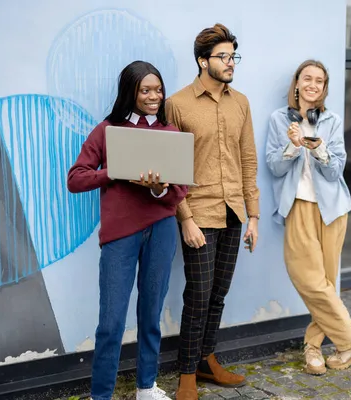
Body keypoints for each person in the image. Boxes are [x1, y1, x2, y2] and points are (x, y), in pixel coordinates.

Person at [67, 60, 187, 400]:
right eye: (146, 90)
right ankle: (100, 395)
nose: (154, 96)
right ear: (130, 92)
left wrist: (158, 188)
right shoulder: (107, 131)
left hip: (161, 230)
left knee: (151, 314)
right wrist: (115, 171)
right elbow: (75, 179)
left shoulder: (171, 133)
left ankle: (146, 387)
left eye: (158, 89)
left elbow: (179, 193)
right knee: (111, 323)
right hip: (120, 235)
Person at [165, 23, 260, 400]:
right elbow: (172, 168)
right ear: (203, 61)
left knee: (218, 294)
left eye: (233, 55)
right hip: (199, 215)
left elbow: (247, 159)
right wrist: (184, 218)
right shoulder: (178, 103)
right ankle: (186, 375)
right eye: (223, 56)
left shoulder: (241, 103)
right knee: (199, 295)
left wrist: (252, 214)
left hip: (234, 211)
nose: (230, 62)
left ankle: (206, 360)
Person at [265, 60, 351, 376]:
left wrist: (319, 149)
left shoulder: (332, 121)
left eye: (319, 81)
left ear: (324, 88)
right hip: (298, 206)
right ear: (296, 83)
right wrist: (291, 145)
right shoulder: (278, 120)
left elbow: (336, 169)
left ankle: (313, 347)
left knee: (325, 283)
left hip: (332, 210)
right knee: (310, 280)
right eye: (307, 78)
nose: (313, 84)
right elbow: (274, 166)